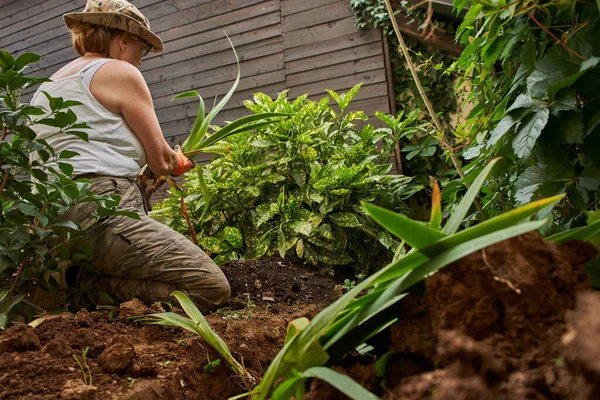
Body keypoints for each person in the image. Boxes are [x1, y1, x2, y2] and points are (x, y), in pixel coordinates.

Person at [29, 0, 230, 312]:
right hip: (100, 210)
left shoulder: (46, 87)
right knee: (211, 287)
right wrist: (179, 162)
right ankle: (83, 289)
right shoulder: (120, 72)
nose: (140, 59)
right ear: (123, 39)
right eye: (141, 48)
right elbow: (161, 161)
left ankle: (74, 282)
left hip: (49, 222)